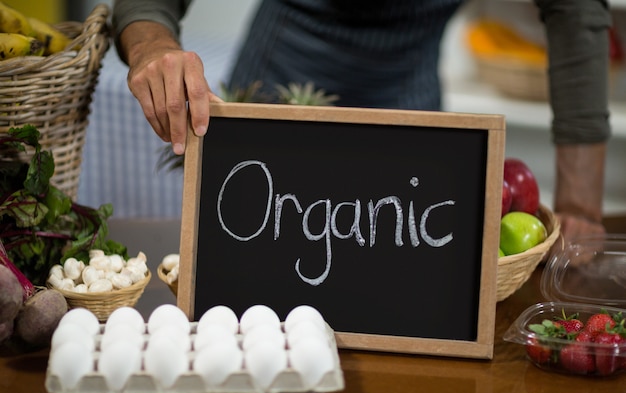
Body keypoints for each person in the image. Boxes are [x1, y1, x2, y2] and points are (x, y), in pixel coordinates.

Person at [112, 0, 611, 251]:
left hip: (412, 92)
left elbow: (575, 9)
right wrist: (151, 42)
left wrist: (580, 205)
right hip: (284, 79)